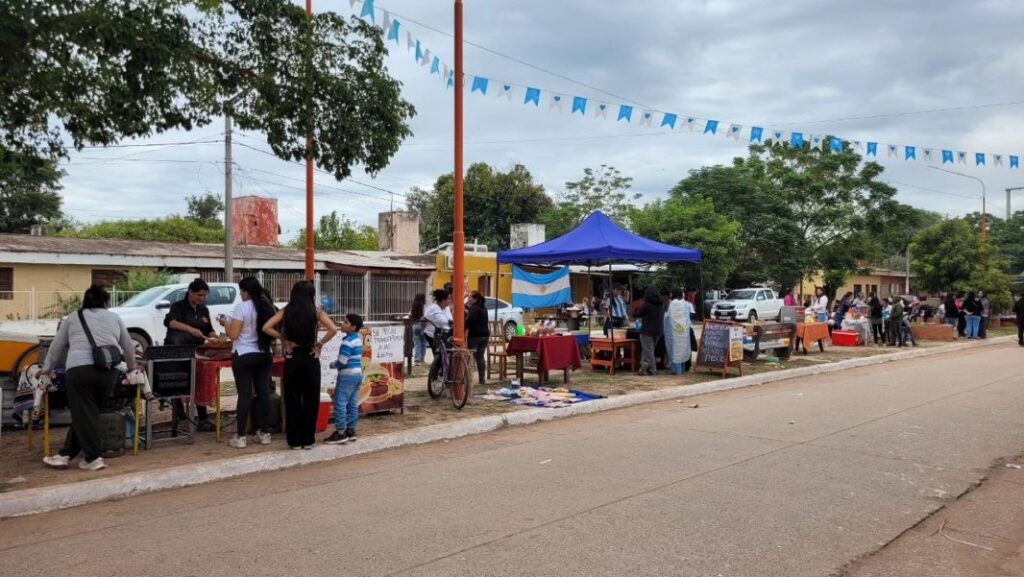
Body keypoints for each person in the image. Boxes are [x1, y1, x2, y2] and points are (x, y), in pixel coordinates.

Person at [42, 285, 136, 471]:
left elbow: (56, 347)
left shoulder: (73, 317)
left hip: (79, 371)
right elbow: (128, 346)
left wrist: (47, 370)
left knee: (85, 413)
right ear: (105, 301)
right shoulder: (114, 317)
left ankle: (93, 458)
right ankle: (65, 454)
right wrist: (132, 368)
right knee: (86, 413)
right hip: (109, 372)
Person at [262, 281, 337, 450]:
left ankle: (294, 441)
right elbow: (333, 329)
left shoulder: (286, 311)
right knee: (311, 399)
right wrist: (319, 344)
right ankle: (308, 440)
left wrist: (283, 339)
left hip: (292, 357)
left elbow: (266, 327)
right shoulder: (316, 312)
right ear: (311, 295)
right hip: (310, 357)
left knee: (292, 398)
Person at [220, 277, 276, 449]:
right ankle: (265, 433)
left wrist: (225, 322)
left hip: (243, 353)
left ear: (246, 292)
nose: (241, 295)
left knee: (245, 395)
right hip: (264, 354)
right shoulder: (267, 307)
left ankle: (241, 436)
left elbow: (234, 335)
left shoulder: (242, 308)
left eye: (241, 292)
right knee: (263, 393)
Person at [162, 278, 216, 431]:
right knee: (179, 382)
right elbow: (170, 322)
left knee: (198, 381)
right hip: (177, 351)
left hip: (197, 351)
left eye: (205, 296)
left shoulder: (203, 309)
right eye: (200, 295)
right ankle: (179, 414)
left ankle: (203, 418)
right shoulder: (178, 306)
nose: (202, 298)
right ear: (190, 292)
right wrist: (190, 329)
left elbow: (208, 329)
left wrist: (215, 336)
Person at [325, 314, 363, 445]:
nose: (342, 323)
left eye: (346, 322)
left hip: (346, 376)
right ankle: (351, 431)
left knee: (340, 403)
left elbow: (342, 361)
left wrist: (332, 364)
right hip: (357, 374)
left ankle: (341, 432)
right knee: (353, 403)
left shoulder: (347, 342)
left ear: (353, 327)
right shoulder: (357, 340)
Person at [424, 289, 453, 385]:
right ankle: (435, 378)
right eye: (448, 299)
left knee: (445, 356)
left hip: (445, 333)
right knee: (438, 357)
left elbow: (449, 320)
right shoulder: (433, 308)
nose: (450, 301)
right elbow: (444, 321)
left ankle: (442, 375)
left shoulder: (446, 308)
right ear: (443, 300)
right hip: (432, 335)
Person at [636, 286, 664, 376]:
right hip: (658, 331)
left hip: (647, 331)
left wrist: (635, 312)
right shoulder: (660, 305)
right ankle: (644, 364)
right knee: (649, 350)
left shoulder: (646, 305)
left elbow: (638, 314)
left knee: (648, 350)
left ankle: (653, 369)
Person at [466, 291, 490, 386]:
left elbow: (470, 321)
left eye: (470, 297)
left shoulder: (474, 308)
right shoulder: (483, 308)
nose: (468, 299)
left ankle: (469, 379)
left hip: (475, 336)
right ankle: (482, 379)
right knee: (480, 357)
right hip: (484, 336)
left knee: (471, 357)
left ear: (475, 299)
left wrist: (460, 328)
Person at [667, 288, 693, 374]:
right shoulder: (685, 304)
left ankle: (675, 371)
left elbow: (668, 316)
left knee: (676, 351)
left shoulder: (672, 304)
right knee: (683, 351)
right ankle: (681, 370)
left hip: (675, 331)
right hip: (684, 331)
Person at [409, 293, 427, 366]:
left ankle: (417, 360)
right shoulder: (424, 307)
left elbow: (410, 315)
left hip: (415, 325)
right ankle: (422, 360)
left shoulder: (413, 307)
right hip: (423, 325)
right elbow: (426, 316)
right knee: (423, 343)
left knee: (417, 343)